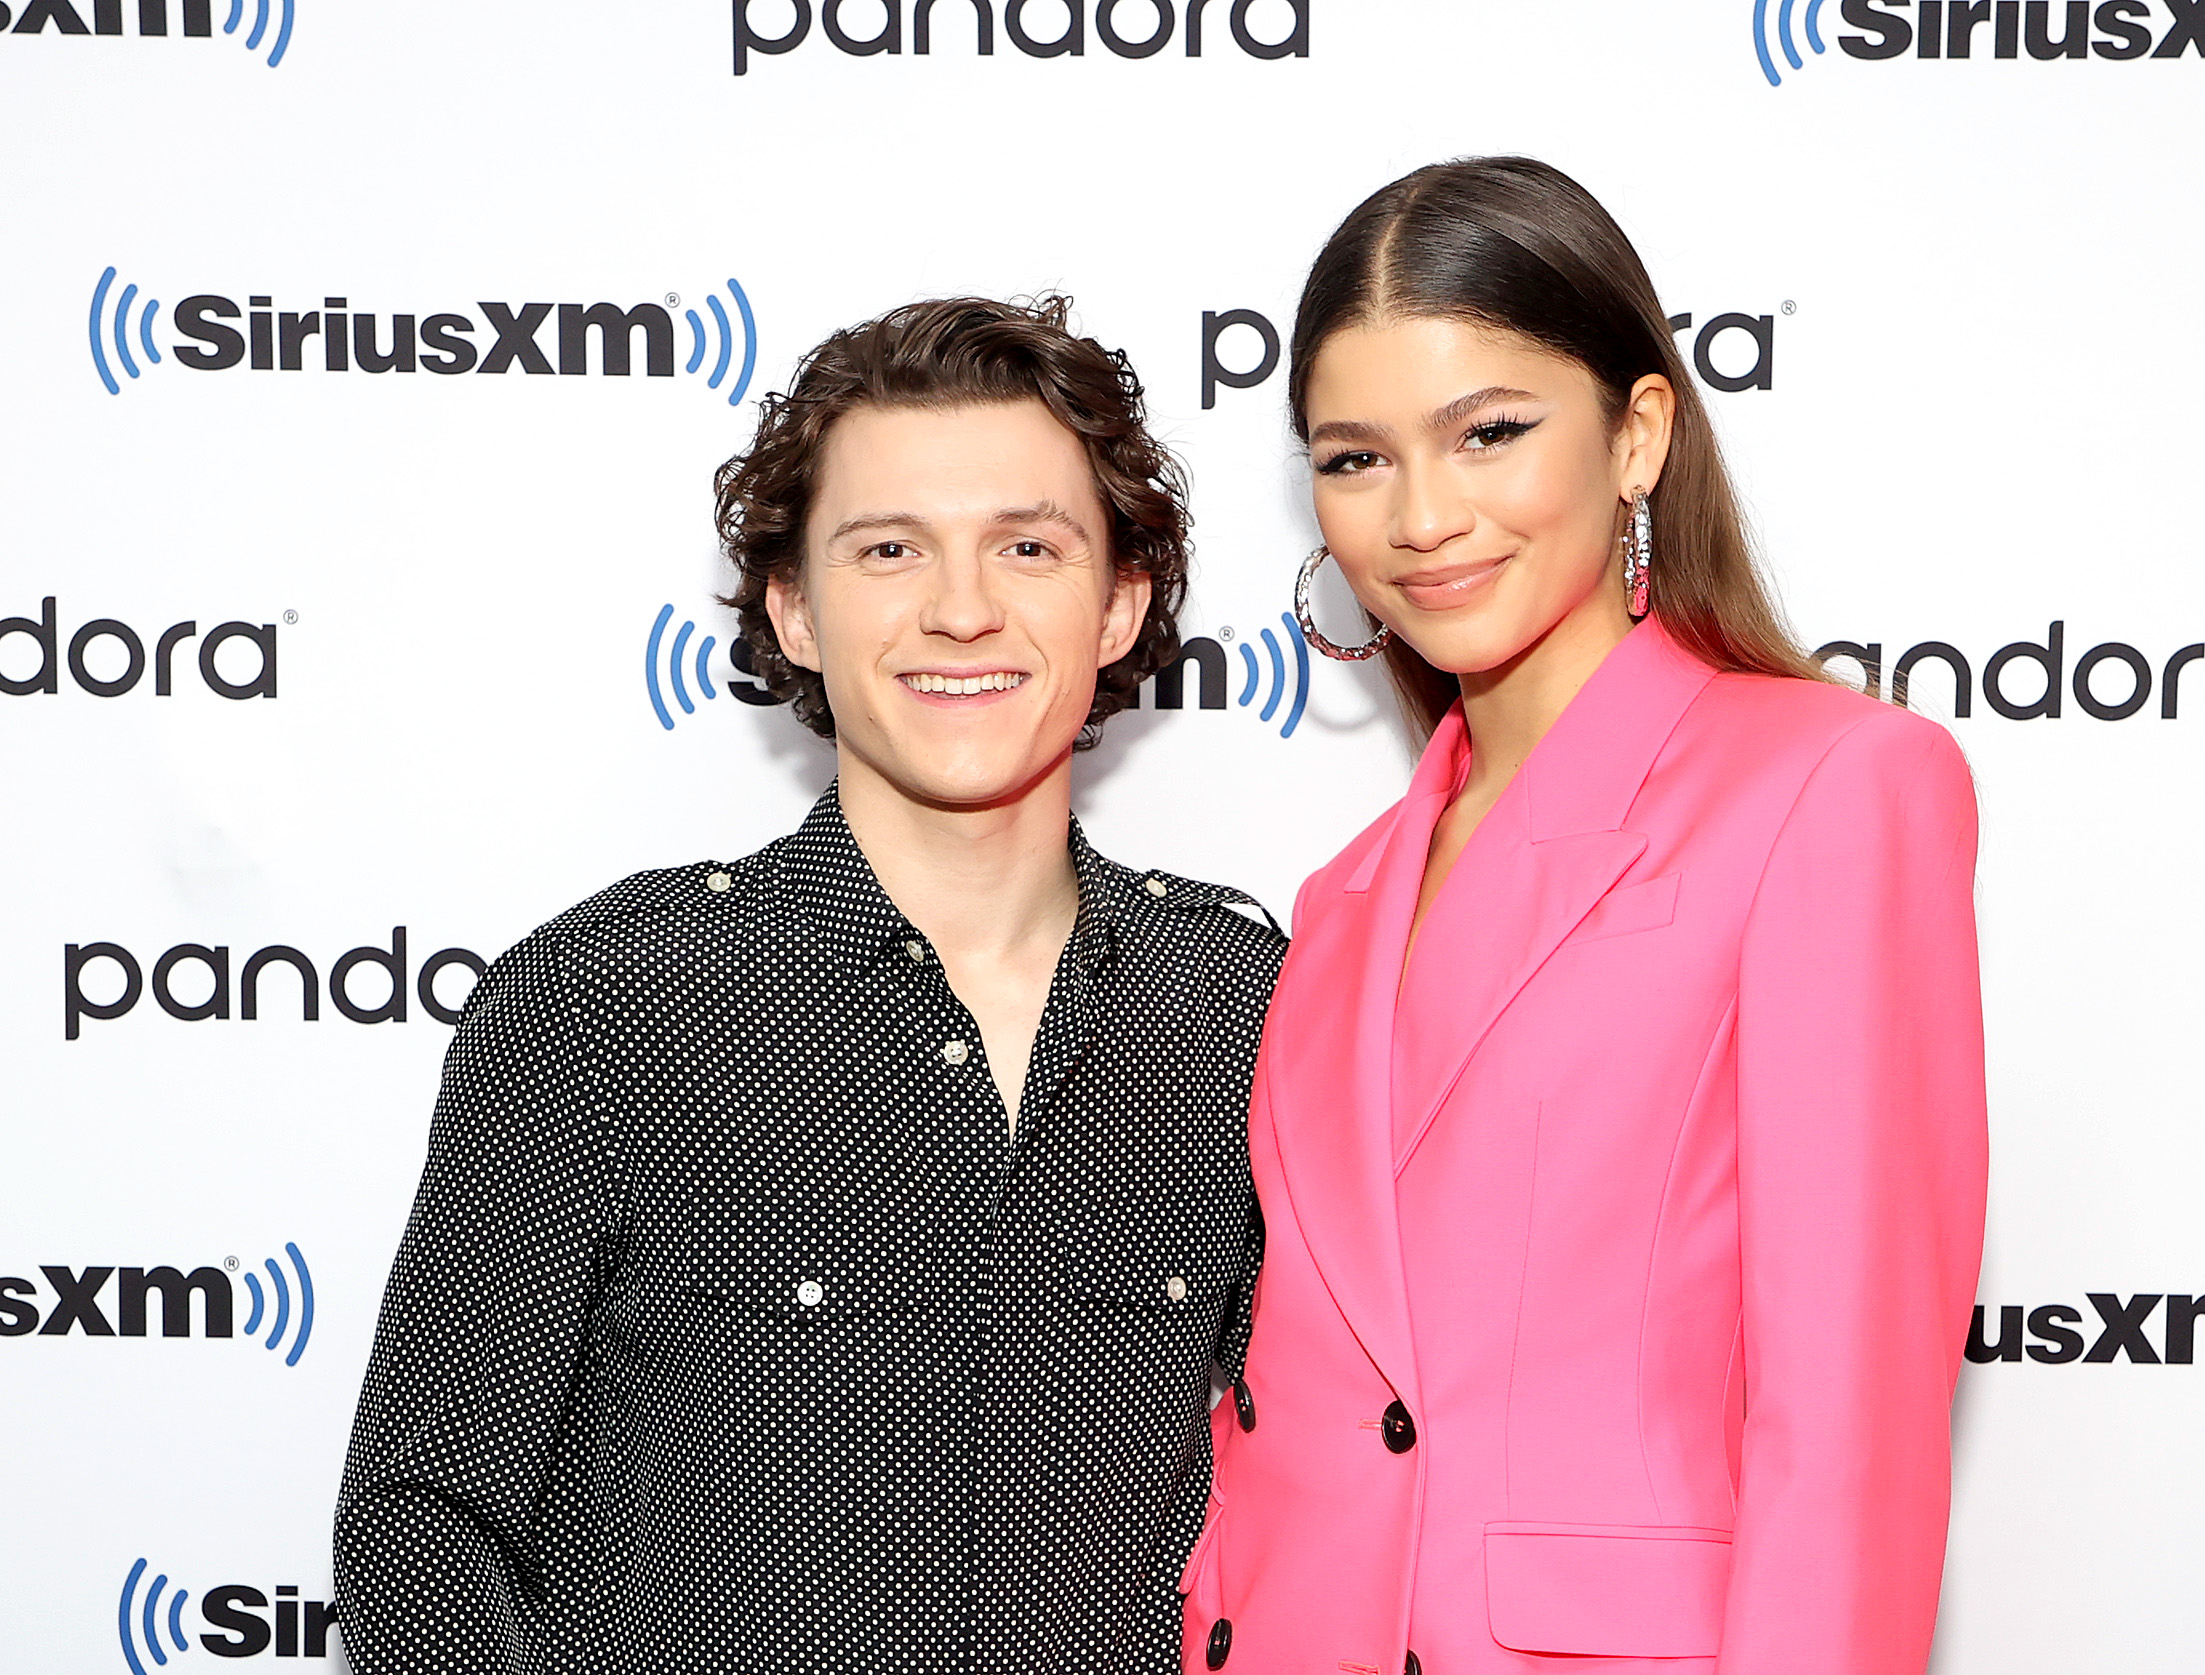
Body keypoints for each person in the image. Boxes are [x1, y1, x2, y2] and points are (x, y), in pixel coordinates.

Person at [334, 295, 1282, 1675]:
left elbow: (1331, 1489)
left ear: (1119, 602)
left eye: (1027, 546)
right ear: (796, 607)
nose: (962, 609)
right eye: (889, 550)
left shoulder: (1244, 1012)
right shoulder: (604, 1007)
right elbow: (426, 1526)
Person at [1179, 159, 1988, 1675]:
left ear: (1637, 434)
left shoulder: (1828, 787)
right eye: (1352, 461)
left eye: (1487, 433)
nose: (1422, 517)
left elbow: (1848, 1423)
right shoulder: (1344, 896)